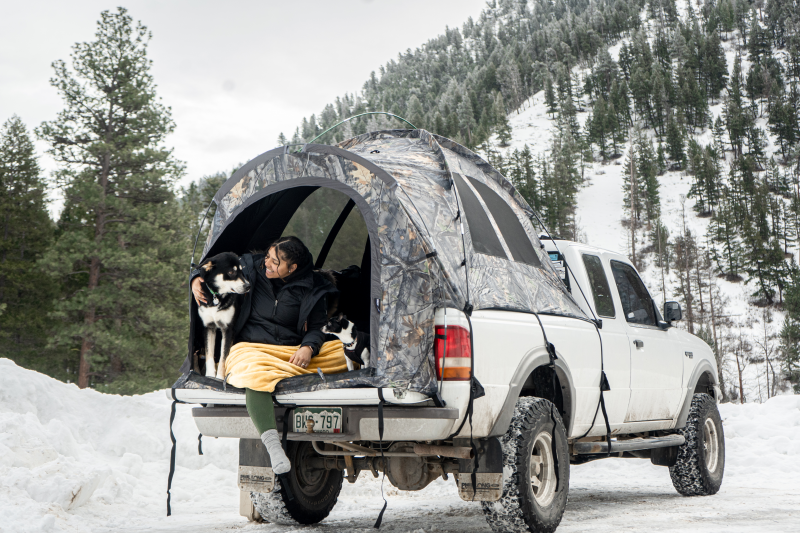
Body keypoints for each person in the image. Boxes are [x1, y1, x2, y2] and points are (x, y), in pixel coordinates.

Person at [191, 236, 341, 474]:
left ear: (292, 269)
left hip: (291, 349)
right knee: (254, 374)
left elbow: (317, 326)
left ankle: (292, 365)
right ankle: (273, 446)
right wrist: (195, 278)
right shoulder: (250, 267)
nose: (267, 263)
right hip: (252, 347)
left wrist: (308, 347)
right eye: (268, 257)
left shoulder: (313, 287)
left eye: (275, 262)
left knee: (344, 353)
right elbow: (213, 265)